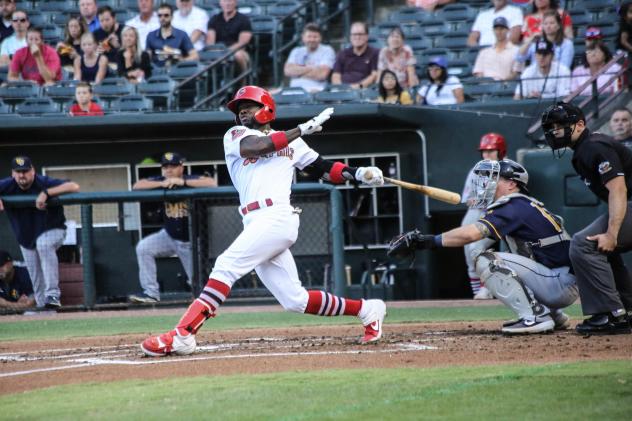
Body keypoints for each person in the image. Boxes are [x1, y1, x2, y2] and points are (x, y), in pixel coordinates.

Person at [140, 86, 387, 356]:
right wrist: (301, 129)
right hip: (255, 220)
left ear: (266, 107)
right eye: (239, 108)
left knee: (225, 266)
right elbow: (258, 147)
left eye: (249, 105)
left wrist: (359, 173)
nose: (243, 111)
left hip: (277, 216)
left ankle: (183, 335)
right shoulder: (236, 135)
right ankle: (367, 309)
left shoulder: (293, 142)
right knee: (295, 300)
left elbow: (325, 169)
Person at [388, 159, 578, 334]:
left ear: (512, 184)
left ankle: (535, 317)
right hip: (559, 280)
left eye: (495, 179)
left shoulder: (514, 205)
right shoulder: (525, 205)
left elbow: (471, 234)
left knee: (487, 260)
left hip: (558, 284)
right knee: (511, 259)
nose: (488, 184)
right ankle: (553, 314)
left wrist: (426, 241)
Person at [541, 101, 632, 335]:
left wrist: (612, 234)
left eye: (560, 125)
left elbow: (618, 190)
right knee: (599, 245)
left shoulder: (593, 146)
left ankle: (611, 314)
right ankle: (625, 310)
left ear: (580, 124)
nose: (554, 131)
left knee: (583, 244)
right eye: (551, 127)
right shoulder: (585, 148)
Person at [129, 152, 216, 303]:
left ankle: (205, 303)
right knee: (143, 248)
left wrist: (183, 182)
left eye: (173, 166)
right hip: (168, 236)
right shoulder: (160, 180)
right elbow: (137, 186)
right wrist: (161, 184)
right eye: (165, 166)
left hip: (190, 242)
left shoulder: (189, 178)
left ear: (181, 167)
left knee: (198, 285)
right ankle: (151, 293)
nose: (169, 170)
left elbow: (211, 183)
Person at [0, 156, 80, 309]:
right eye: (18, 172)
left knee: (43, 245)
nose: (22, 175)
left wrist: (47, 193)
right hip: (26, 238)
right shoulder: (8, 185)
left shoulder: (43, 181)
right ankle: (46, 309)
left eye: (25, 171)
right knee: (35, 277)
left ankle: (53, 295)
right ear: (13, 173)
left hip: (53, 231)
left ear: (33, 171)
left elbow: (74, 186)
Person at [460, 134, 507, 299]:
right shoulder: (476, 169)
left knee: (475, 248)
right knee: (467, 247)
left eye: (491, 151)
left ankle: (486, 287)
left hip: (502, 213)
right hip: (480, 211)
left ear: (500, 151)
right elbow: (468, 200)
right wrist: (477, 201)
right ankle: (478, 295)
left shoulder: (510, 168)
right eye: (484, 151)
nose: (486, 155)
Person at [284, 23, 335, 93]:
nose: (312, 39)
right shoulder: (296, 51)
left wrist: (297, 72)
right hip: (293, 90)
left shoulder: (327, 50)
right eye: (309, 36)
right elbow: (287, 71)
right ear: (303, 37)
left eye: (315, 37)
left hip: (316, 90)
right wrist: (312, 68)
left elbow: (322, 74)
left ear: (320, 38)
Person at [146, 3, 198, 68]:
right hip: (156, 73)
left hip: (177, 72)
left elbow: (195, 56)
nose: (162, 18)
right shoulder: (151, 36)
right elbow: (147, 59)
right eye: (160, 15)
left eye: (166, 15)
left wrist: (181, 60)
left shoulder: (182, 35)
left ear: (172, 17)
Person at [206, 0, 252, 73]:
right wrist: (218, 51)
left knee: (238, 55)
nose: (227, 4)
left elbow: (243, 43)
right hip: (218, 50)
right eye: (224, 1)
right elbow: (210, 43)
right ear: (220, 3)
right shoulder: (214, 19)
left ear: (235, 2)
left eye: (230, 1)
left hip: (237, 50)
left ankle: (243, 81)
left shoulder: (244, 19)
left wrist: (227, 51)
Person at [331, 21, 379, 89]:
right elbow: (336, 75)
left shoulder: (375, 53)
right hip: (343, 90)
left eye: (360, 34)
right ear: (350, 37)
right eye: (354, 34)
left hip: (365, 91)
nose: (357, 37)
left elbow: (374, 75)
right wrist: (341, 88)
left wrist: (359, 86)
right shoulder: (342, 54)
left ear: (367, 36)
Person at [472, 16, 518, 81]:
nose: (499, 32)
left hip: (505, 87)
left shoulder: (516, 50)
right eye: (496, 29)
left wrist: (501, 83)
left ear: (507, 30)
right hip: (486, 86)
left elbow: (516, 73)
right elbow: (478, 72)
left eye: (502, 29)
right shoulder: (484, 52)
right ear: (493, 30)